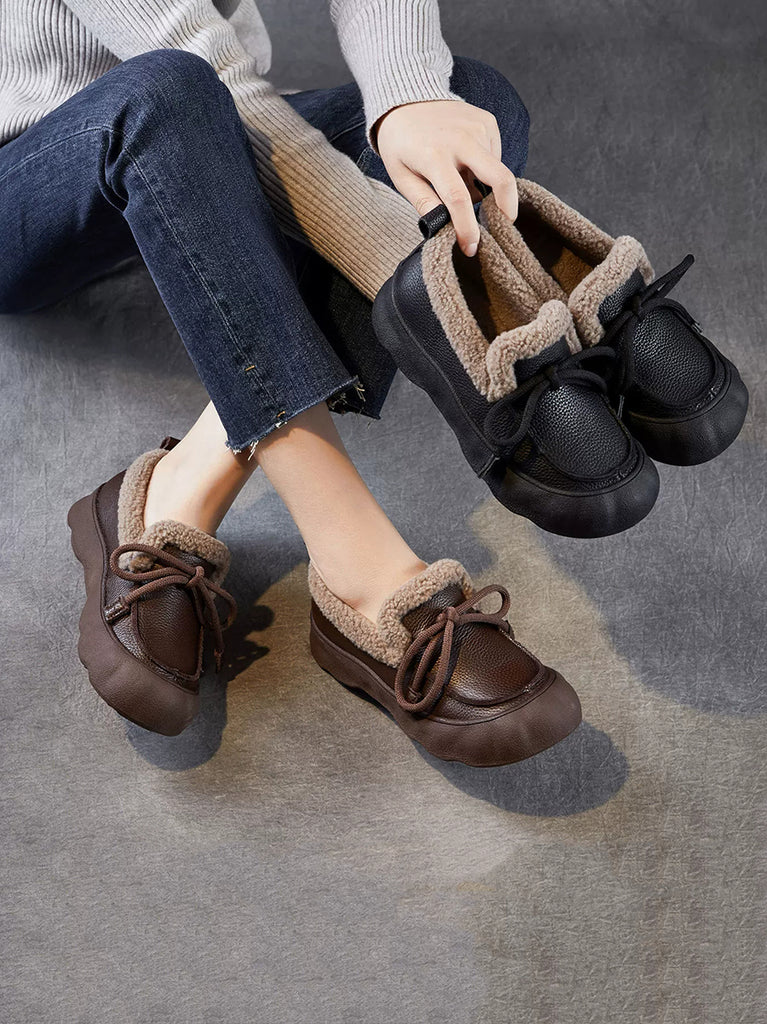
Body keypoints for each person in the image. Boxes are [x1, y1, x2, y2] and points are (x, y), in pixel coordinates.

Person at [0, 0, 584, 765]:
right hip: (31, 170)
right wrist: (395, 269)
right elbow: (178, 49)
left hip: (202, 128)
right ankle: (361, 573)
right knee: (166, 89)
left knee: (469, 106)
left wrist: (409, 97)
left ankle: (179, 488)